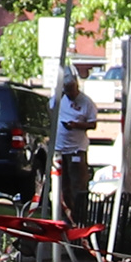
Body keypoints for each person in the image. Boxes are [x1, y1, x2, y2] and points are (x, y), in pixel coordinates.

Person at [52, 71, 97, 221]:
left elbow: (92, 124)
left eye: (71, 90)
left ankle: (79, 215)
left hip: (76, 149)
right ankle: (65, 213)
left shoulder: (86, 103)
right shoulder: (59, 99)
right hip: (60, 149)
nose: (69, 94)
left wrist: (76, 125)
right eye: (66, 91)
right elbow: (49, 108)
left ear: (77, 86)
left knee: (77, 184)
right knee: (63, 184)